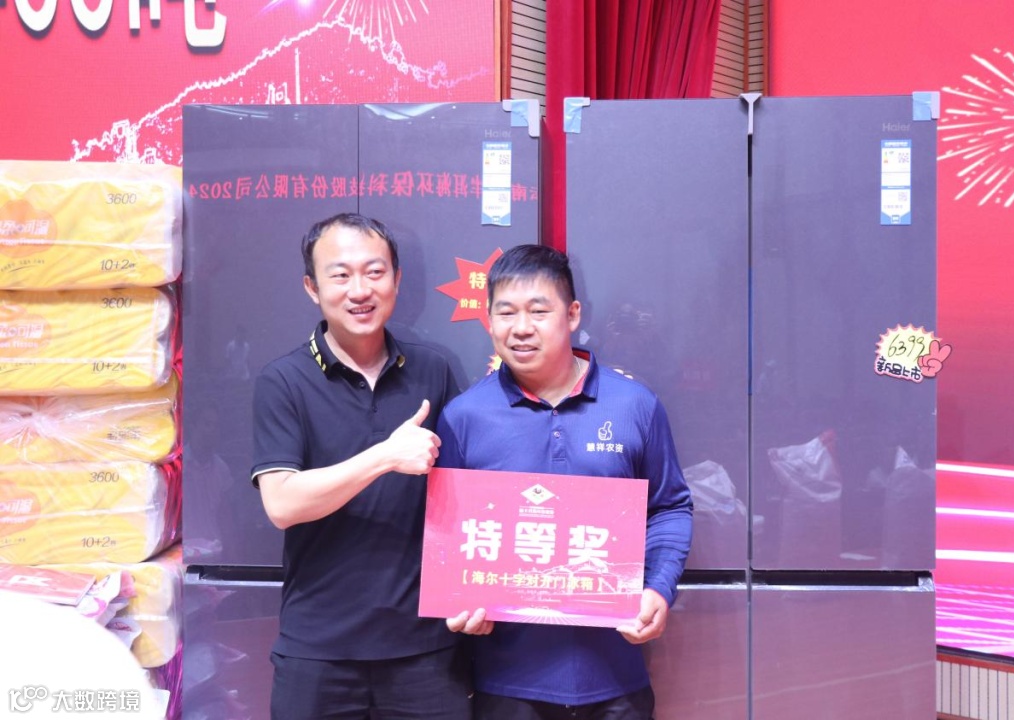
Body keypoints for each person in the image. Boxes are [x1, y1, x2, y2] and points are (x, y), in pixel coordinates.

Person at [436, 244, 693, 720]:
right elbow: (445, 531)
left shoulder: (634, 405)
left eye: (539, 311)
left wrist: (658, 588)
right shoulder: (463, 417)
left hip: (616, 677)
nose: (521, 327)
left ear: (572, 314)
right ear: (489, 320)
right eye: (506, 312)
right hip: (506, 684)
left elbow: (669, 508)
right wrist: (458, 596)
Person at [250, 213, 470, 719]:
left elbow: (467, 493)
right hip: (318, 649)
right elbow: (282, 504)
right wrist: (385, 457)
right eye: (340, 275)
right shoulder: (283, 381)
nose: (359, 290)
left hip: (426, 648)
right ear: (312, 287)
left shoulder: (434, 369)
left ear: (396, 279)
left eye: (375, 272)